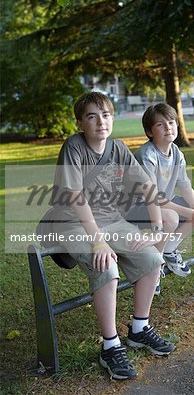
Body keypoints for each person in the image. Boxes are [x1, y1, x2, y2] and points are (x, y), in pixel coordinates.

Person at [51, 92, 175, 380]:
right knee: (106, 264)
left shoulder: (118, 148)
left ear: (112, 119)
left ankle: (139, 328)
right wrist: (98, 241)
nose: (100, 122)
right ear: (80, 123)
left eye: (105, 115)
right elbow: (74, 198)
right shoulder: (74, 148)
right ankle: (110, 345)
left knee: (153, 258)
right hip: (74, 224)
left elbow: (147, 187)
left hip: (111, 220)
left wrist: (156, 229)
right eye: (92, 117)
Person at [125, 103, 194, 291]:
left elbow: (186, 186)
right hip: (137, 207)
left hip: (162, 204)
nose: (168, 128)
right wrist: (190, 212)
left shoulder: (177, 153)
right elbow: (153, 197)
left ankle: (170, 250)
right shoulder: (146, 155)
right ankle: (154, 267)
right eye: (160, 125)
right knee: (170, 217)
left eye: (171, 122)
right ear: (149, 131)